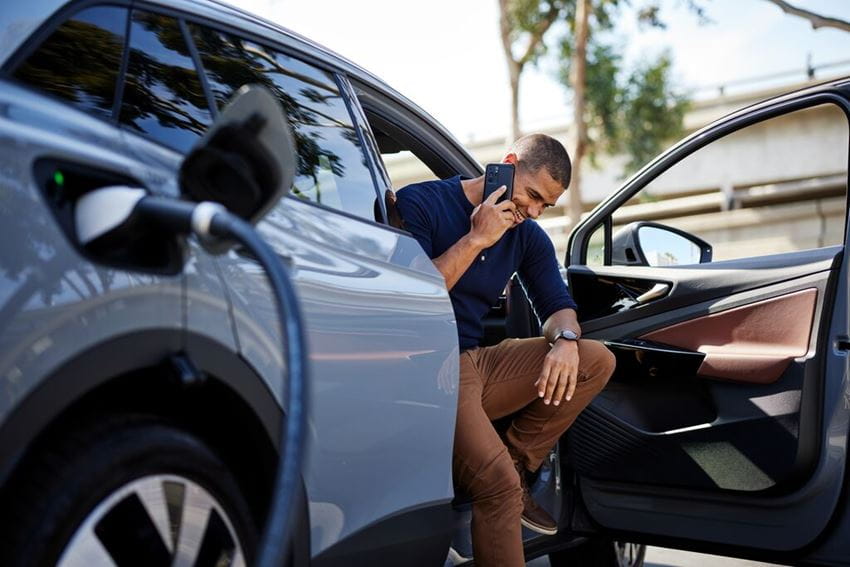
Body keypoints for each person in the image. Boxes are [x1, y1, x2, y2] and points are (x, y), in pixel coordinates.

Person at [395, 134, 615, 567]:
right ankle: (505, 480)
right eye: (533, 195)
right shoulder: (421, 201)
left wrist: (566, 341)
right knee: (494, 487)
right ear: (509, 163)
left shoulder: (527, 237)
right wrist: (477, 238)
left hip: (472, 363)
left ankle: (516, 462)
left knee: (596, 359)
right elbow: (415, 298)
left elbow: (558, 307)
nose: (533, 212)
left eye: (545, 206)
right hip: (423, 367)